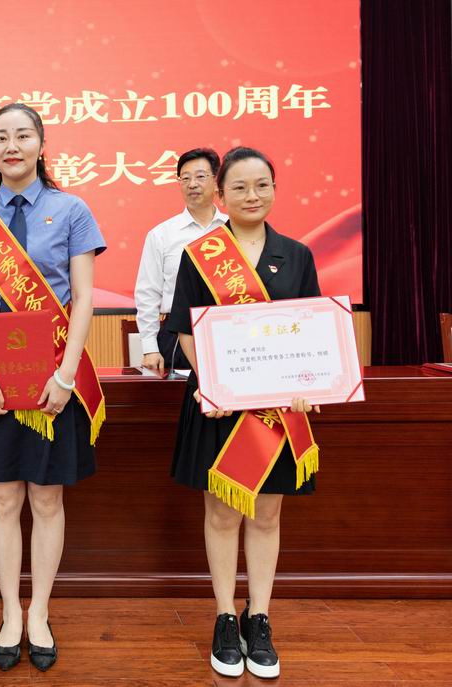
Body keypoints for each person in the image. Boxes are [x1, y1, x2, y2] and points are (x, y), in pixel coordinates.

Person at [0, 103, 106, 672]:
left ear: (41, 143)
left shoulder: (72, 209)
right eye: (0, 137)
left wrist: (66, 375)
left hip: (55, 372)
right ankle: (10, 611)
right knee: (4, 497)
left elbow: (82, 298)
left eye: (22, 136)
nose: (11, 146)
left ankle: (40, 612)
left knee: (47, 497)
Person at [167, 146, 322, 680]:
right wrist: (213, 385)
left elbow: (311, 328)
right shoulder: (200, 254)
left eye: (261, 185)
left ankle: (260, 618)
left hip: (277, 410)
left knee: (267, 515)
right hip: (219, 405)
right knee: (221, 514)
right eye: (239, 187)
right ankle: (224, 617)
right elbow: (185, 329)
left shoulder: (297, 255)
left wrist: (307, 383)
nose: (251, 196)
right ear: (221, 194)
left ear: (274, 189)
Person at [134, 148, 227, 374]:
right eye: (185, 178)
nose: (192, 184)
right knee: (183, 395)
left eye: (200, 176)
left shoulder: (233, 229)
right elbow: (147, 294)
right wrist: (149, 348)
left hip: (228, 329)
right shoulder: (161, 234)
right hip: (176, 334)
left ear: (216, 181)